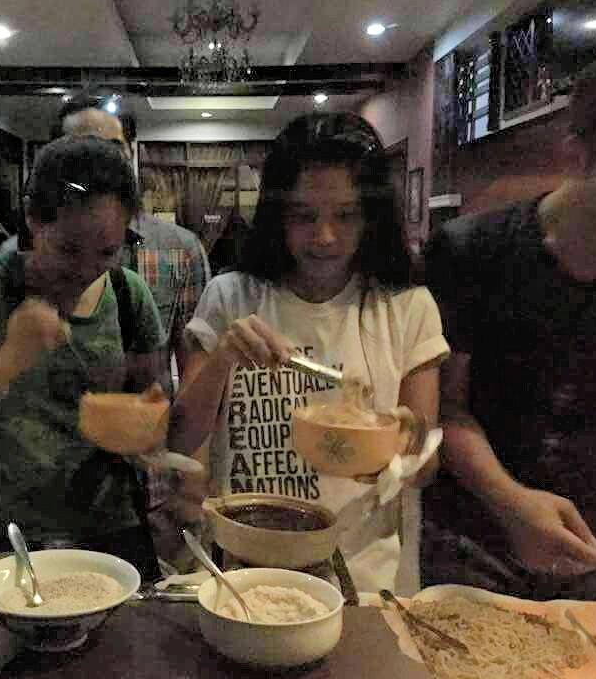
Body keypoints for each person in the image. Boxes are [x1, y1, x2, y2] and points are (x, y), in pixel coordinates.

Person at [169, 113, 449, 593]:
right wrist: (224, 358)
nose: (325, 237)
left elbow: (424, 465)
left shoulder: (407, 307)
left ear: (371, 217)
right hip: (240, 566)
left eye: (346, 215)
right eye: (304, 216)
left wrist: (401, 448)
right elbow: (180, 438)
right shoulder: (230, 297)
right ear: (278, 216)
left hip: (358, 576)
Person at [422, 44, 596, 601]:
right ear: (578, 156)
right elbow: (443, 409)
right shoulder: (471, 251)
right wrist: (511, 501)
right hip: (476, 551)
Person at [0, 135, 167, 580]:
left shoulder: (128, 294)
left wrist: (145, 432)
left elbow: (153, 407)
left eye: (107, 251)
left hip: (108, 529)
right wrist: (9, 358)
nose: (86, 269)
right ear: (32, 219)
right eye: (68, 248)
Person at [55, 92, 211, 397]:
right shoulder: (23, 256)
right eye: (81, 152)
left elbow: (194, 374)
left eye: (113, 150)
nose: (100, 165)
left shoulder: (178, 249)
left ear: (130, 155)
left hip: (145, 420)